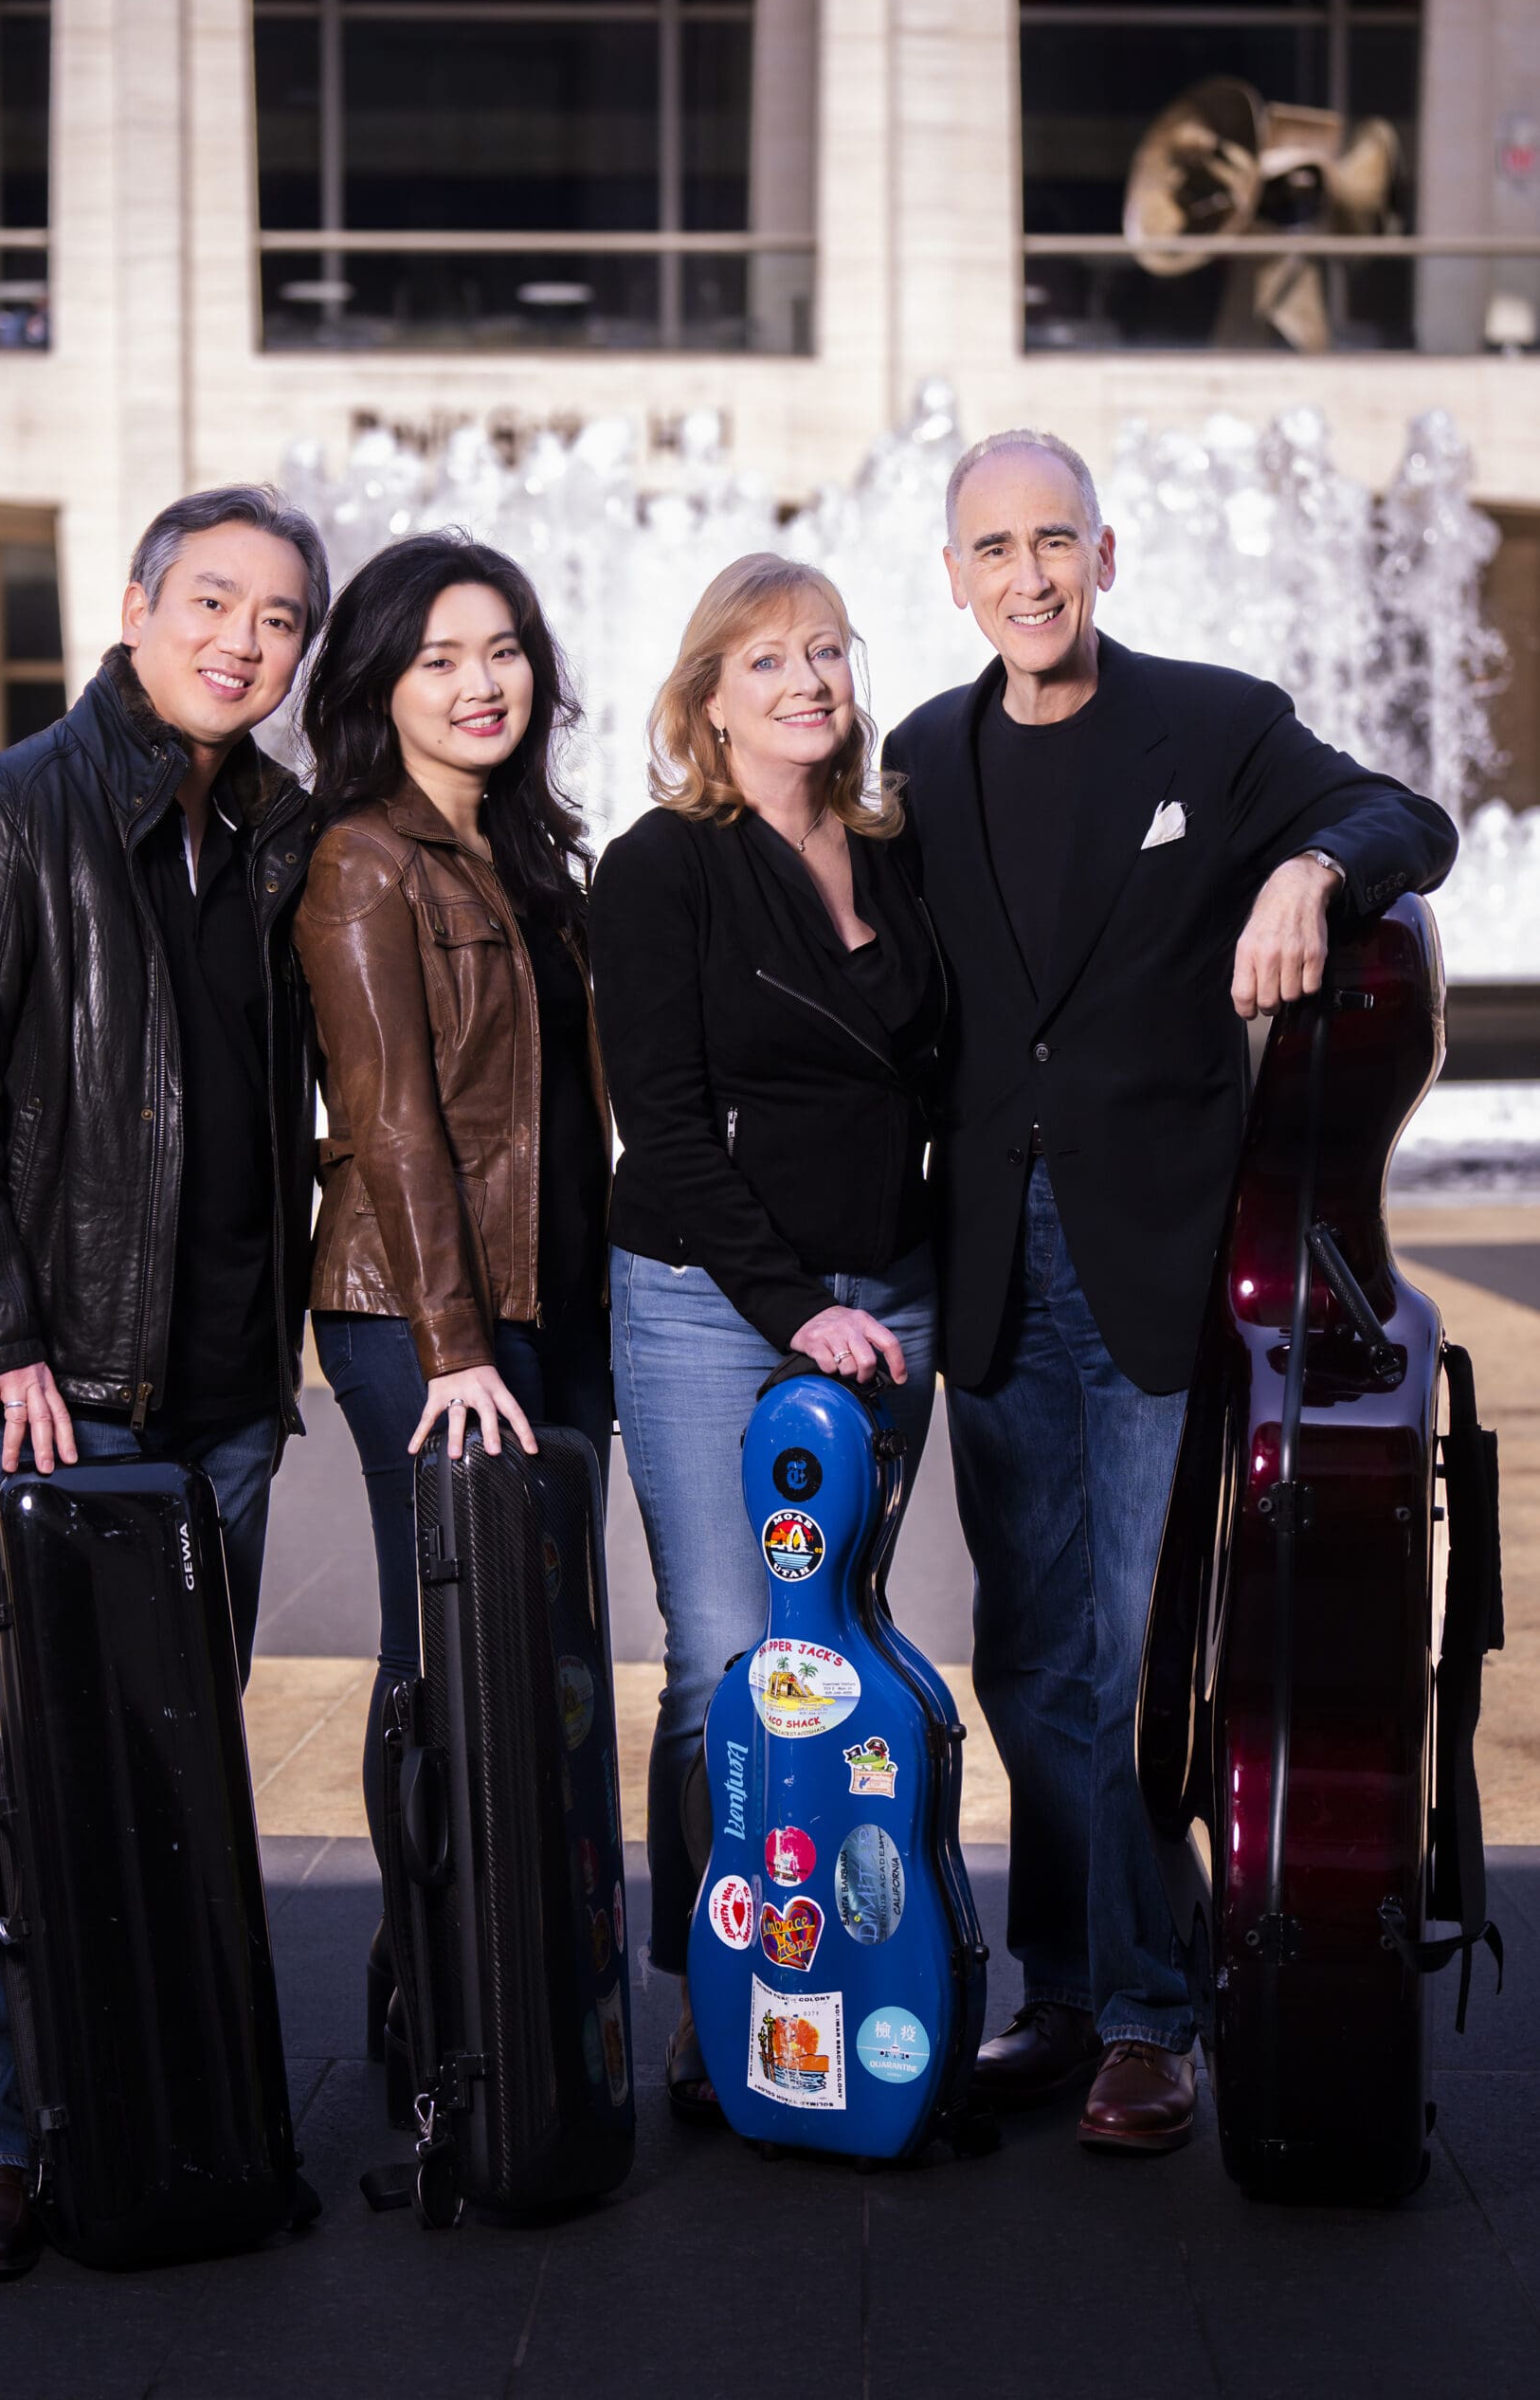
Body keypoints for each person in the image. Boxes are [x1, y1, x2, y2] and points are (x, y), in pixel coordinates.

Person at [882, 427, 1458, 2156]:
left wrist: (1305, 870)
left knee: (1121, 1659)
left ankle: (1144, 2017)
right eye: (994, 548)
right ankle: (1069, 1986)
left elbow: (1405, 816)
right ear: (955, 577)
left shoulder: (1208, 725)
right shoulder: (918, 752)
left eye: (1054, 540)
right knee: (1020, 1657)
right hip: (989, 1265)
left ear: (1105, 553)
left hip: (1152, 1257)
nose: (1028, 575)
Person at [0, 482, 330, 2278]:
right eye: (211, 601)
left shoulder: (275, 831)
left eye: (277, 618)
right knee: (25, 1769)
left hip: (222, 1380)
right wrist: (1, 1338)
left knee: (178, 1772)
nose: (242, 640)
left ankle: (151, 2110)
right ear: (136, 609)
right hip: (64, 1380)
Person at [589, 552, 947, 2118]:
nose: (805, 680)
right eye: (764, 662)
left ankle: (852, 1958)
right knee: (730, 1663)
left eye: (824, 651)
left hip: (888, 1297)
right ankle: (716, 1985)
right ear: (704, 703)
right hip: (708, 1300)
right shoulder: (661, 864)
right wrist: (793, 1309)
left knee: (846, 1649)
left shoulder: (894, 852)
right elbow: (658, 1124)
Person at [293, 531, 612, 2045]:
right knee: (442, 1652)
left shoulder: (531, 854)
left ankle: (515, 1958)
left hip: (546, 1309)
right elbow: (393, 1119)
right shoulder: (364, 858)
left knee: (533, 1658)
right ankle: (430, 1975)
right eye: (440, 659)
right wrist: (450, 1348)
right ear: (381, 685)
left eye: (503, 651)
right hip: (422, 1317)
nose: (483, 683)